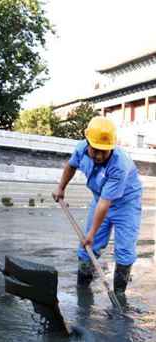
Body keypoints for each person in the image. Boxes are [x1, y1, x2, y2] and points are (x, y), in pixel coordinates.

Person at [52, 116, 142, 294]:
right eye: (96, 150)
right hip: (99, 198)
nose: (99, 155)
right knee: (86, 248)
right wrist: (61, 188)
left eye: (105, 151)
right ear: (87, 143)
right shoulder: (81, 149)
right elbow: (71, 166)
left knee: (124, 250)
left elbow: (105, 203)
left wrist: (91, 234)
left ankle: (119, 294)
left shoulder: (119, 164)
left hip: (126, 204)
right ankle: (82, 291)